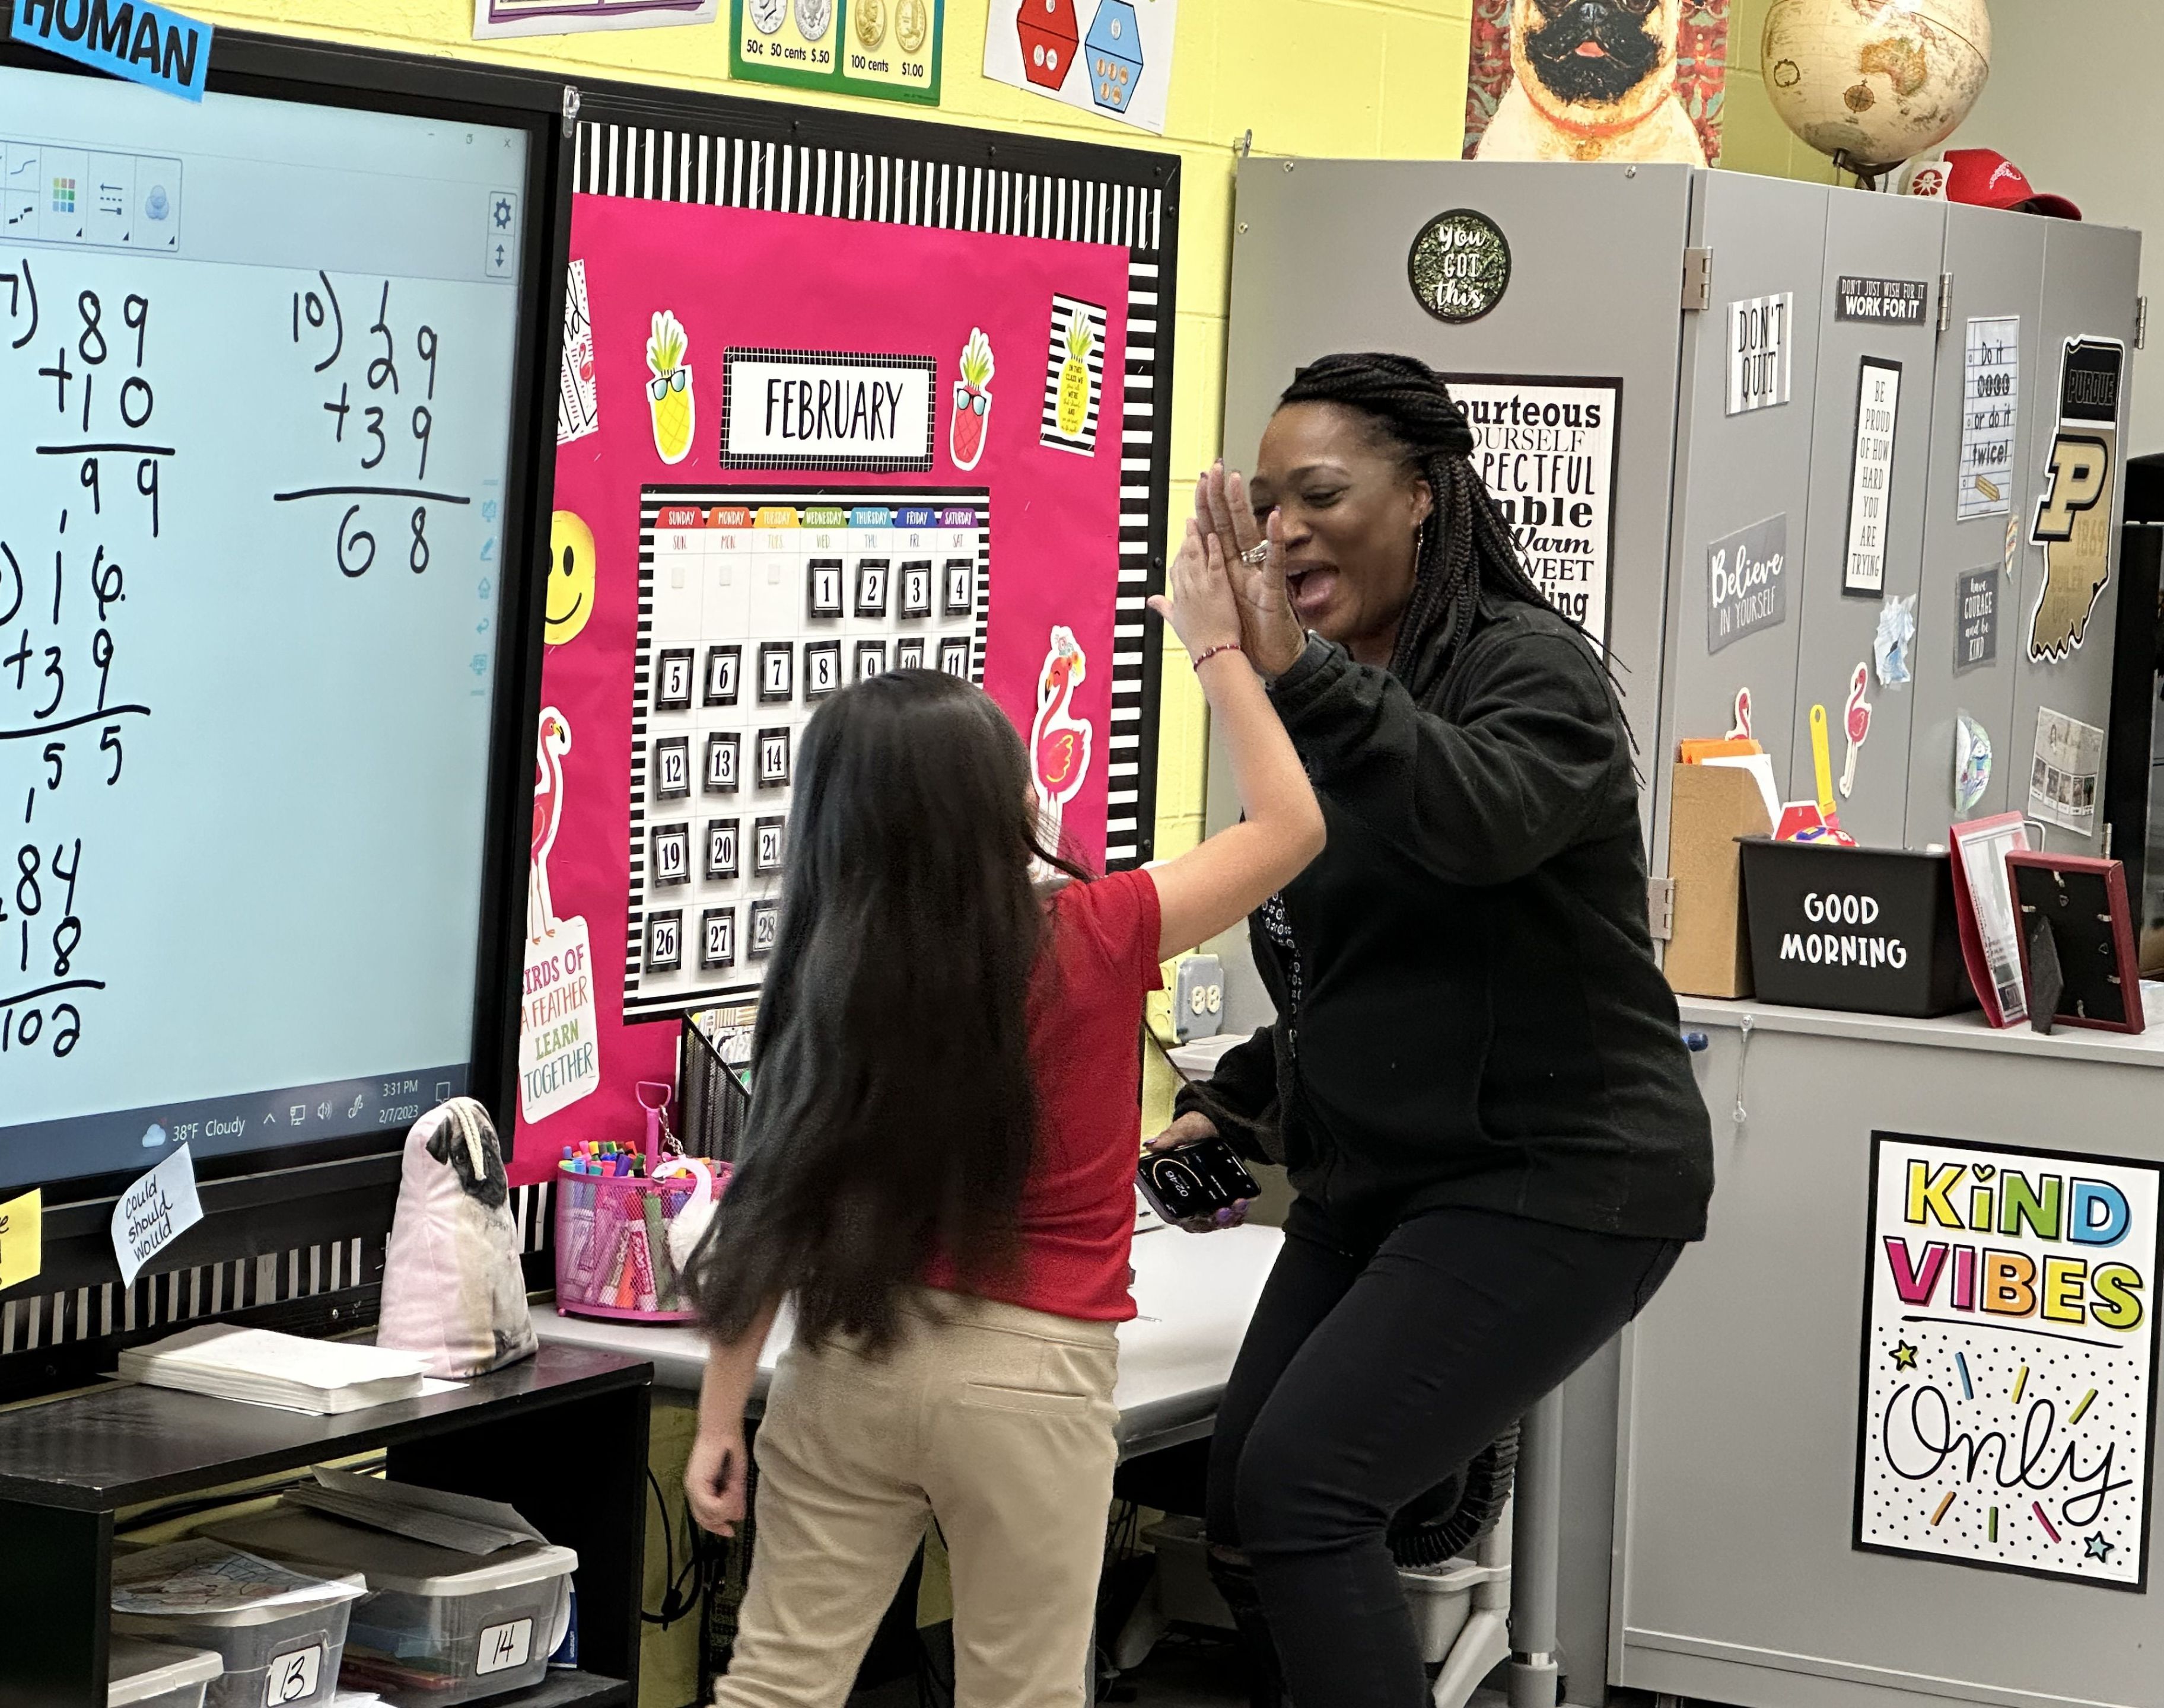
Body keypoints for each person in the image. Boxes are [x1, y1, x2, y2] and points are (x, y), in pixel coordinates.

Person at [679, 514, 1325, 1708]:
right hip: (1034, 1382)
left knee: (776, 1686)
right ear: (1010, 800)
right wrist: (1218, 652)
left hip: (848, 1362)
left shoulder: (825, 970)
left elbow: (770, 1196)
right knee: (1020, 1693)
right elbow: (1292, 828)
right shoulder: (1094, 933)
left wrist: (723, 1418)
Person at [1149, 353, 1713, 1708]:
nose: (1282, 532)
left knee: (1309, 1486)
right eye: (1264, 504)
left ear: (1419, 498)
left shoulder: (1532, 677)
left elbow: (1470, 822)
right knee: (1241, 1498)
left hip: (1564, 1176)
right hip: (1387, 1176)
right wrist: (1228, 1105)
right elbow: (1360, 966)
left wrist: (1289, 673)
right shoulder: (1327, 698)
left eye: (1320, 496)